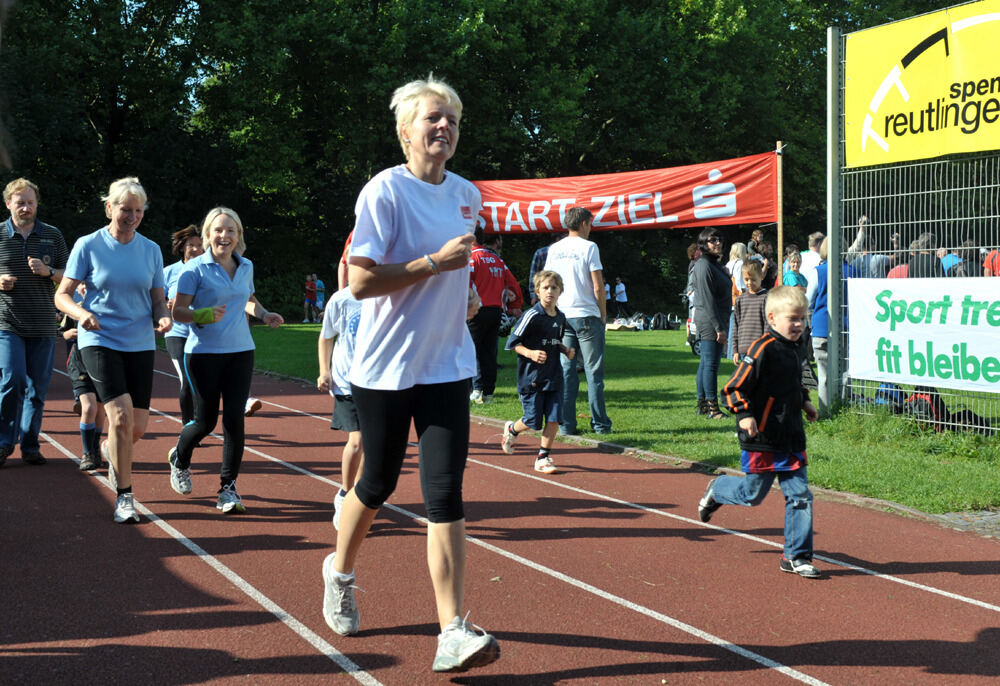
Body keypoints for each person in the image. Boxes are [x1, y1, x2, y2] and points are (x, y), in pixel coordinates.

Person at [322, 75, 499, 673]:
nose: (444, 127)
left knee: (445, 492)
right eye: (432, 118)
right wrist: (434, 264)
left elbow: (455, 270)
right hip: (386, 368)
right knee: (376, 485)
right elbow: (360, 280)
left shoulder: (468, 194)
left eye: (451, 118)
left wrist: (465, 291)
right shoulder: (384, 192)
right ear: (405, 131)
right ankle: (340, 570)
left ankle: (452, 629)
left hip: (447, 364)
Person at [55, 177, 172, 523]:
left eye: (138, 211)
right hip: (99, 339)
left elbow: (157, 299)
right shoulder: (88, 245)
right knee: (118, 416)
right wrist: (81, 314)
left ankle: (109, 449)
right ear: (109, 207)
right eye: (125, 209)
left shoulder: (151, 249)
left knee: (137, 426)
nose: (132, 216)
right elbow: (61, 294)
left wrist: (163, 318)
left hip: (139, 342)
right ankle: (125, 497)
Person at [166, 207, 283, 514]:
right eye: (218, 230)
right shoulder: (194, 270)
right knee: (205, 422)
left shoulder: (246, 266)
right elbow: (177, 312)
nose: (224, 236)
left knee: (234, 420)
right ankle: (180, 457)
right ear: (207, 235)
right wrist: (204, 314)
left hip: (241, 351)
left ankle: (228, 489)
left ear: (238, 236)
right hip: (203, 354)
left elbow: (248, 299)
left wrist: (265, 314)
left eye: (231, 231)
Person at [698, 286, 821, 578]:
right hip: (762, 438)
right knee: (752, 496)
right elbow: (733, 387)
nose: (799, 325)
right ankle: (717, 489)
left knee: (801, 495)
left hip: (791, 437)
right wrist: (744, 414)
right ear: (772, 318)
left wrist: (804, 402)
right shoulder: (761, 348)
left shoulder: (797, 347)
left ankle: (796, 556)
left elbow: (793, 383)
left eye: (802, 319)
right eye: (793, 319)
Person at [1, 178, 68, 468]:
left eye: (30, 202)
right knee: (12, 380)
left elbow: (69, 276)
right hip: (7, 322)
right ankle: (4, 443)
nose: (26, 207)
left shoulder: (53, 235)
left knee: (37, 388)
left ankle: (30, 444)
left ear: (37, 203)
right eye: (20, 202)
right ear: (8, 204)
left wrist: (48, 270)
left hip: (42, 322)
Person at [543, 206, 611, 435]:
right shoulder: (590, 247)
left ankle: (566, 424)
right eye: (590, 223)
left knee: (566, 372)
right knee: (594, 372)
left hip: (562, 314)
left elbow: (548, 283)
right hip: (586, 314)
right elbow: (598, 285)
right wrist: (603, 313)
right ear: (583, 223)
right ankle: (600, 424)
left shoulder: (554, 249)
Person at [500, 269, 575, 474]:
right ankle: (512, 429)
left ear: (560, 291)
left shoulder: (560, 317)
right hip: (532, 377)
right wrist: (531, 354)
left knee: (553, 418)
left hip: (554, 376)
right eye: (545, 288)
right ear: (538, 291)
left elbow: (553, 340)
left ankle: (543, 457)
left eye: (554, 288)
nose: (550, 291)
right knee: (533, 421)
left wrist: (564, 349)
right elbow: (512, 343)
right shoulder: (532, 315)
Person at [317, 284, 364, 530]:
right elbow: (326, 337)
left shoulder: (392, 293)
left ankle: (360, 497)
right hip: (347, 382)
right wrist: (324, 371)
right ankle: (346, 494)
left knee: (372, 444)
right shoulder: (342, 299)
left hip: (380, 381)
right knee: (357, 441)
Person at [468, 228, 522, 404]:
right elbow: (513, 283)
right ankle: (489, 393)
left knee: (471, 350)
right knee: (489, 353)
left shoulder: (471, 258)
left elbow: (464, 284)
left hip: (475, 311)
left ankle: (475, 390)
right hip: (495, 311)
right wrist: (515, 305)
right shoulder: (497, 260)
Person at [59, 285, 105, 472]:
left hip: (102, 361)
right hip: (79, 362)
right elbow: (63, 331)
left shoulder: (106, 308)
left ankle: (95, 448)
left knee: (100, 408)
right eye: (82, 283)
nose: (85, 287)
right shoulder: (74, 308)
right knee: (89, 407)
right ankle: (87, 452)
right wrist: (67, 334)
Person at [163, 224, 204, 424]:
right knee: (187, 380)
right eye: (191, 245)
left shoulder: (209, 270)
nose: (196, 249)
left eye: (200, 245)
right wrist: (166, 305)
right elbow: (154, 301)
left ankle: (200, 421)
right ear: (182, 247)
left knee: (200, 381)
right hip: (176, 333)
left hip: (201, 334)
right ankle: (190, 425)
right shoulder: (169, 272)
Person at [691, 228, 731, 419]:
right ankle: (713, 409)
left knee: (705, 363)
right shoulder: (704, 265)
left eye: (719, 239)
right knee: (711, 365)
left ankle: (703, 405)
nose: (717, 243)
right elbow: (707, 300)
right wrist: (719, 327)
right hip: (710, 320)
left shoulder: (713, 264)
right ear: (703, 244)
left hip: (715, 317)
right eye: (712, 240)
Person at [806, 239, 831, 414]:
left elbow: (807, 301)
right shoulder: (855, 271)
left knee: (823, 375)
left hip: (822, 327)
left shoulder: (818, 272)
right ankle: (844, 408)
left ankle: (825, 411)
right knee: (845, 374)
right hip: (847, 329)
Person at [731, 262, 768, 366]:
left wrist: (764, 346)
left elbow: (767, 325)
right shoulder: (740, 300)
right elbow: (736, 326)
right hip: (743, 350)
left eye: (753, 279)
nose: (749, 282)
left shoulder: (766, 298)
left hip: (760, 349)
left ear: (761, 276)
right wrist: (735, 350)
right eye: (746, 279)